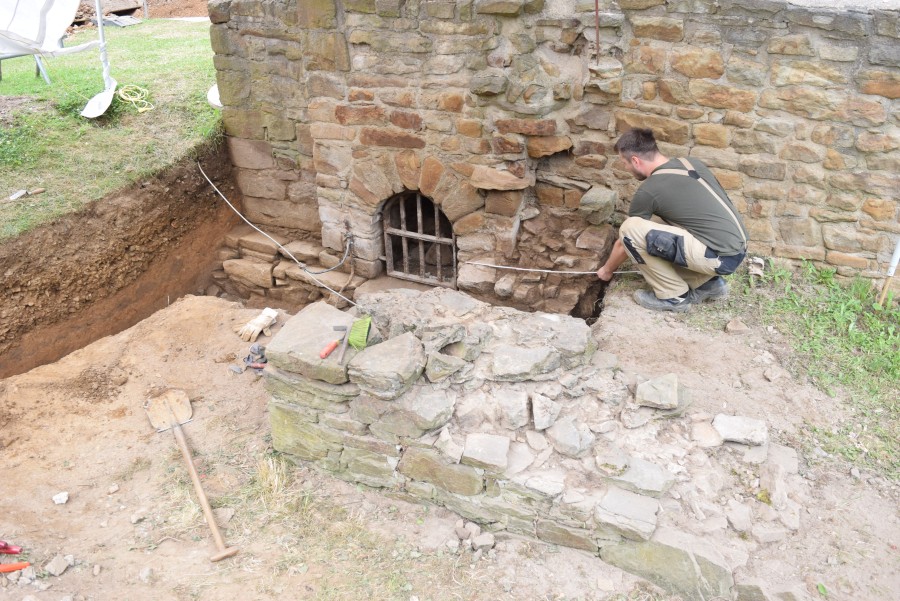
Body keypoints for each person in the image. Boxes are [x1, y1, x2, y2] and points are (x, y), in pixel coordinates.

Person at [596, 128, 748, 312]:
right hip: (736, 249)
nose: (626, 168)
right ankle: (708, 285)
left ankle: (673, 297)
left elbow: (624, 242)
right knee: (657, 228)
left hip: (719, 257)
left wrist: (606, 271)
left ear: (635, 160)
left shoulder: (649, 190)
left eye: (624, 163)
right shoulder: (691, 163)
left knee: (630, 229)